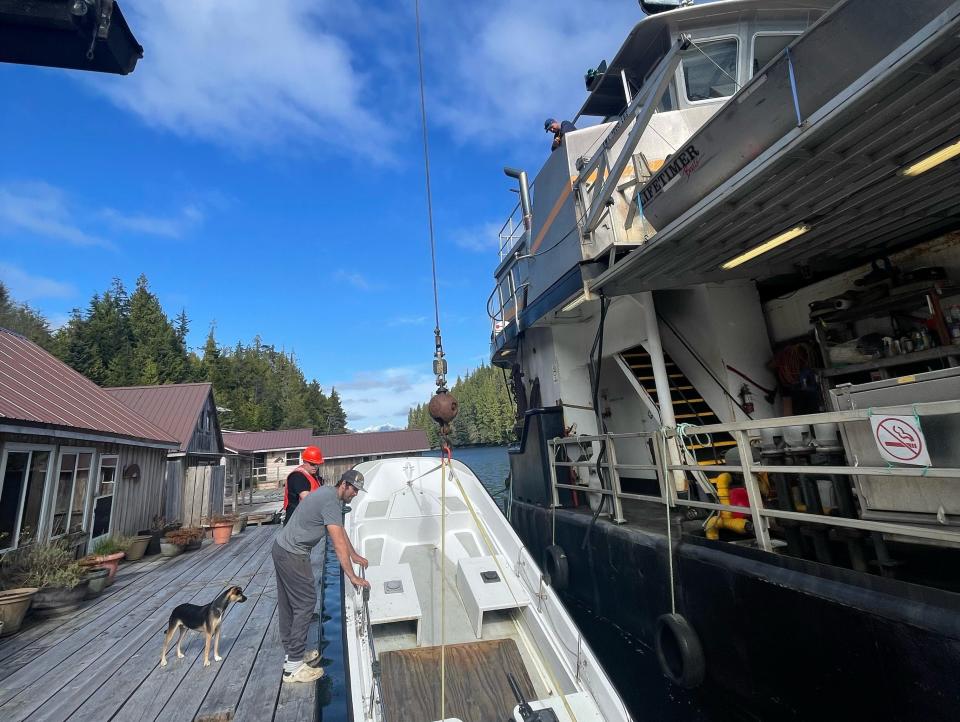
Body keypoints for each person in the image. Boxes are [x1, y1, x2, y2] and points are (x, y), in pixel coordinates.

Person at [272, 469, 370, 683]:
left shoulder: (328, 494)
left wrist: (354, 555)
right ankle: (294, 667)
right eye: (354, 489)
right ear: (344, 484)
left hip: (283, 549)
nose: (356, 494)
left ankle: (292, 655)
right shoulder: (330, 501)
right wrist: (352, 576)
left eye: (358, 491)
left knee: (290, 603)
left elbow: (340, 531)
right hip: (292, 554)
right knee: (305, 603)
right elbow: (337, 544)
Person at [283, 445, 324, 525]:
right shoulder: (298, 476)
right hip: (295, 522)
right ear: (304, 461)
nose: (315, 467)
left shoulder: (314, 476)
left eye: (317, 464)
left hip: (308, 521)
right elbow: (308, 499)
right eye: (312, 464)